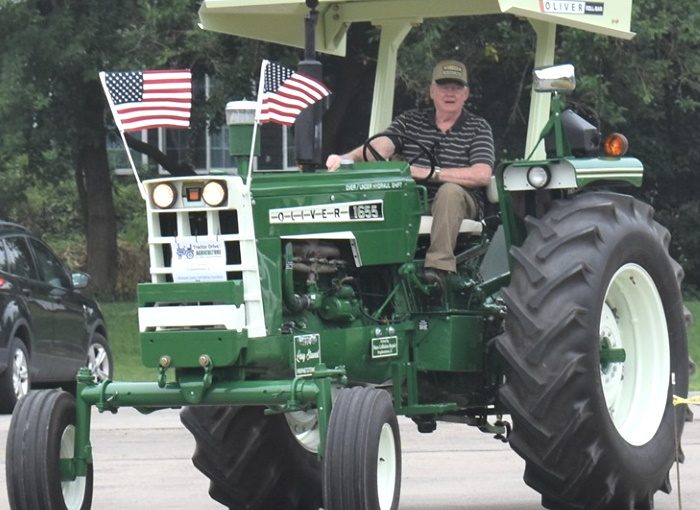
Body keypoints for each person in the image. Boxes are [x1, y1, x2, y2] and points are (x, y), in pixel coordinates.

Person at [326, 59, 495, 286]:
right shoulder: (411, 121)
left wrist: (428, 173)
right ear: (432, 91)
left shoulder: (478, 127)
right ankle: (362, 269)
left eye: (456, 88)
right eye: (444, 87)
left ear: (466, 94)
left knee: (450, 192)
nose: (450, 93)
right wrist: (347, 158)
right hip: (414, 197)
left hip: (461, 202)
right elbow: (379, 147)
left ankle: (438, 270)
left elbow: (481, 174)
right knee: (376, 193)